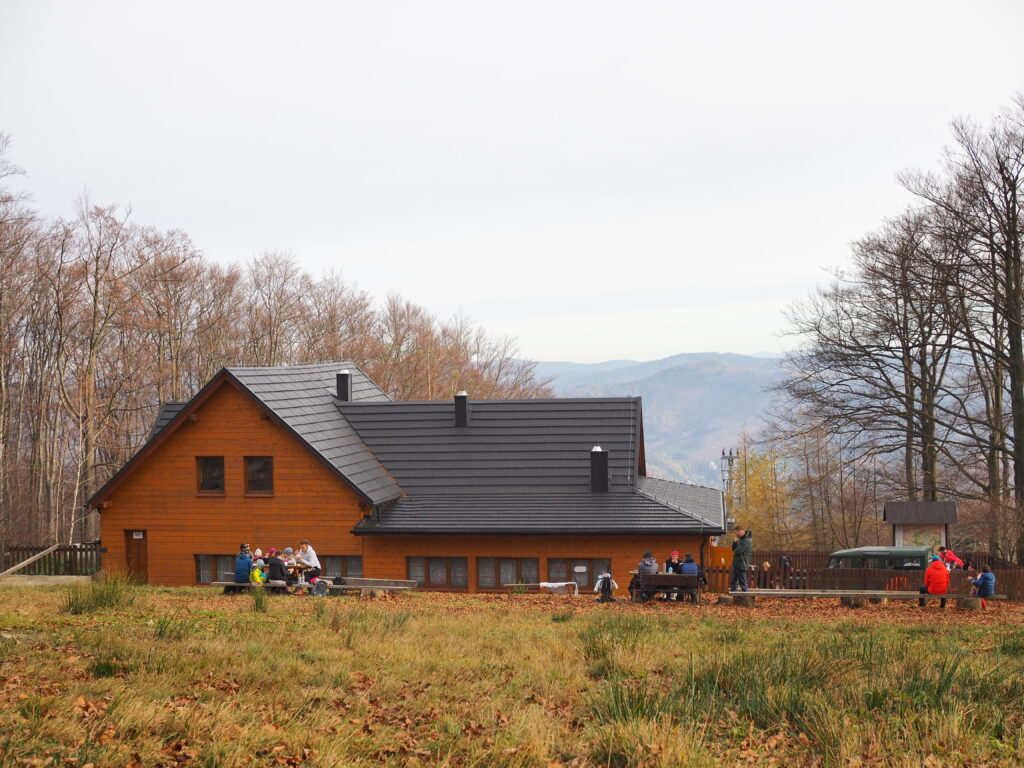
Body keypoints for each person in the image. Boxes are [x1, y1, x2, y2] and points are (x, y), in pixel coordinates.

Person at [730, 526, 753, 592]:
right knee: (733, 581)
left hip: (742, 563)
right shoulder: (741, 540)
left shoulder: (747, 540)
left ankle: (746, 596)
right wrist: (734, 542)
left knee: (742, 581)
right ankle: (733, 593)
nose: (735, 534)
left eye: (736, 532)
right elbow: (733, 549)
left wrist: (736, 545)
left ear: (740, 531)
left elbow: (738, 551)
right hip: (737, 563)